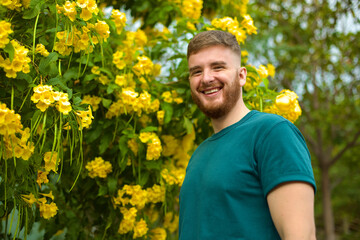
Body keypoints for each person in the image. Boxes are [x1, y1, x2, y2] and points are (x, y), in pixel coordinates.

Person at [179, 30, 317, 240]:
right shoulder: (199, 153)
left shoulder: (272, 133)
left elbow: (301, 236)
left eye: (218, 67)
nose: (206, 78)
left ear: (242, 75)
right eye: (196, 71)